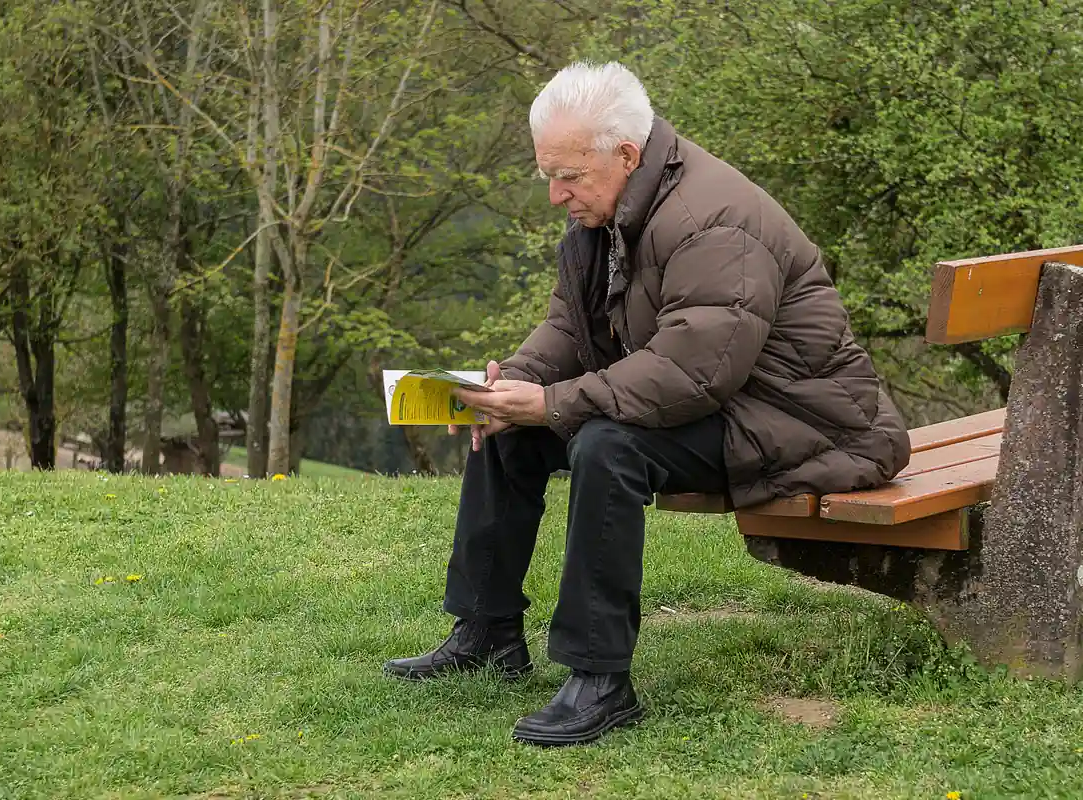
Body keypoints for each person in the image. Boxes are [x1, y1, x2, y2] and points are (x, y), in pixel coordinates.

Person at [382, 61, 912, 747]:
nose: (554, 195)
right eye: (548, 173)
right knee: (510, 426)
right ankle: (486, 629)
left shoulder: (713, 220)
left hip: (805, 425)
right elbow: (572, 329)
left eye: (568, 175)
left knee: (607, 444)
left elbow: (694, 374)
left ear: (626, 155)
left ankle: (600, 679)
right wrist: (513, 382)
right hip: (726, 405)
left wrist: (551, 402)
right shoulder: (608, 212)